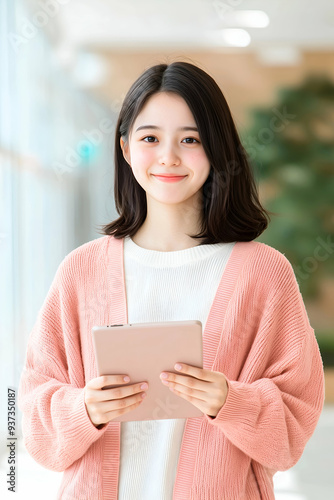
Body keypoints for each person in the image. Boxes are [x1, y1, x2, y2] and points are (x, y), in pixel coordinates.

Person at [18, 61, 325, 500]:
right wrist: (83, 409)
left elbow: (294, 427)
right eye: (150, 138)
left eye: (190, 139)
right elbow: (31, 418)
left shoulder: (264, 273)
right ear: (125, 149)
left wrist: (229, 402)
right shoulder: (80, 271)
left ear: (217, 149)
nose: (168, 156)